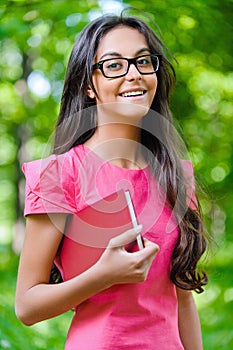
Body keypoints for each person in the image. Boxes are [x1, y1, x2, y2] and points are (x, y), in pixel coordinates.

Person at [15, 11, 208, 350]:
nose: (133, 75)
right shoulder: (59, 175)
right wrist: (103, 275)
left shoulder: (176, 174)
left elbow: (182, 299)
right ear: (89, 85)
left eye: (143, 62)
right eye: (114, 65)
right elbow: (27, 306)